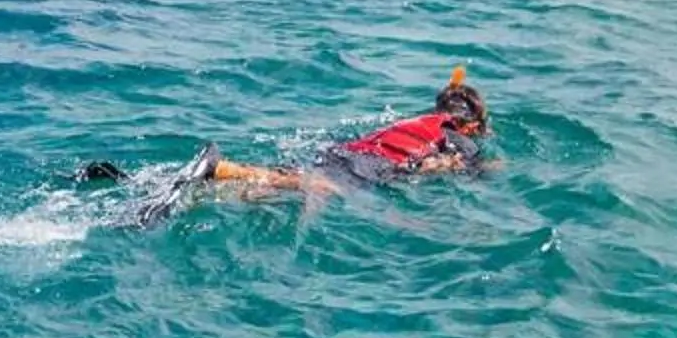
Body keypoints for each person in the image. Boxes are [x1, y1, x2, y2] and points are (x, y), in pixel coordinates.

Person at [79, 71, 493, 221]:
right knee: (319, 189)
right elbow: (443, 166)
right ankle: (219, 170)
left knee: (286, 186)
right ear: (473, 125)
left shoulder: (413, 121)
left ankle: (181, 187)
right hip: (368, 165)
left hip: (343, 151)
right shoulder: (457, 137)